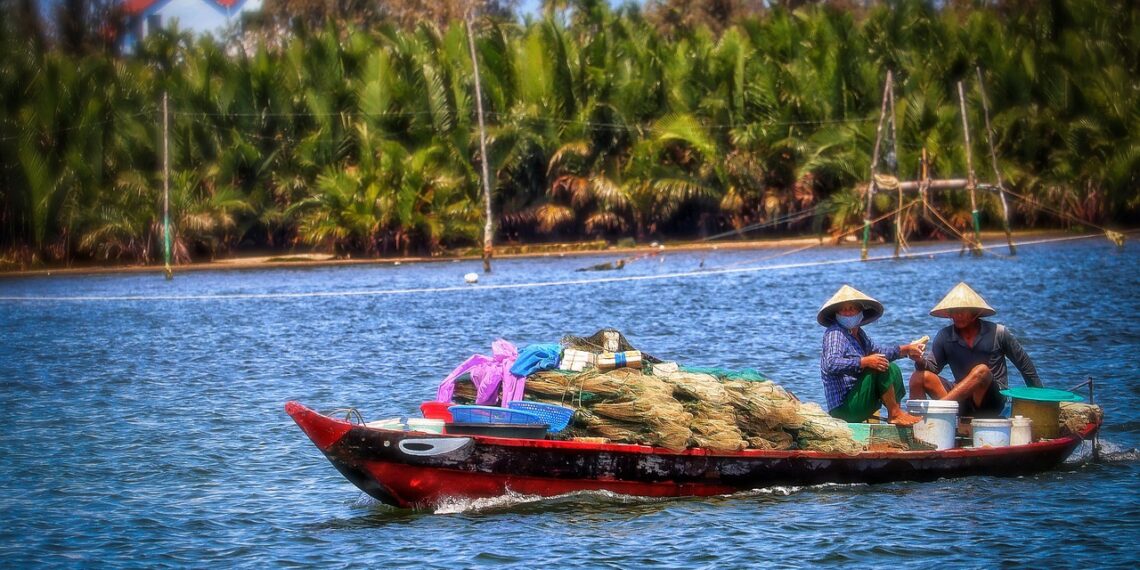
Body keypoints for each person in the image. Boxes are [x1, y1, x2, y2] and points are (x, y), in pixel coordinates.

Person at [909, 282, 1042, 418]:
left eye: (963, 310)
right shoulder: (945, 336)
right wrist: (918, 359)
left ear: (975, 312)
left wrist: (1040, 405)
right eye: (954, 311)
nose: (958, 315)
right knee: (918, 377)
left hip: (991, 401)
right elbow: (932, 368)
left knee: (981, 371)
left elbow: (1026, 369)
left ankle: (939, 409)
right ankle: (917, 422)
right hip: (960, 399)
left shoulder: (999, 333)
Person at [819, 285, 926, 426]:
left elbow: (879, 352)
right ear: (836, 314)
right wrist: (864, 362)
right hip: (844, 408)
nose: (848, 312)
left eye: (852, 308)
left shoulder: (860, 334)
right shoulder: (835, 333)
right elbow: (831, 363)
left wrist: (906, 349)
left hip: (860, 399)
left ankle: (897, 412)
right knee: (880, 365)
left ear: (860, 312)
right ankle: (894, 414)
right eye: (843, 309)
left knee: (892, 367)